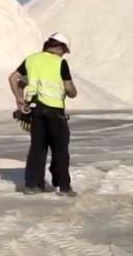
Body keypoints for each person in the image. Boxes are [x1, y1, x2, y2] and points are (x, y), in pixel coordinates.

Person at [8, 32, 79, 197]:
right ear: (59, 47)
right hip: (55, 111)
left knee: (37, 148)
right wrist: (73, 92)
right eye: (64, 50)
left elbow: (13, 78)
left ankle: (33, 185)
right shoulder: (60, 63)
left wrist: (19, 99)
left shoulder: (31, 60)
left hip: (35, 110)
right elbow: (69, 89)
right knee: (60, 149)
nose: (63, 53)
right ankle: (64, 187)